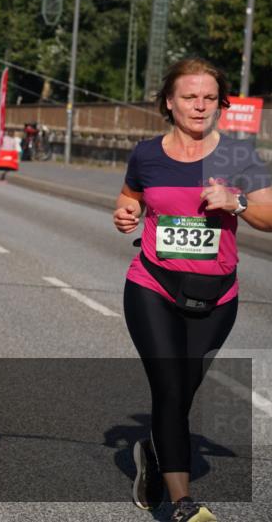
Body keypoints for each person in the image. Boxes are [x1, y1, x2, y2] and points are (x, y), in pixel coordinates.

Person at [113, 58, 271, 522]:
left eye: (208, 97)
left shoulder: (239, 155)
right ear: (169, 102)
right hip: (152, 286)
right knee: (168, 387)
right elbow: (130, 199)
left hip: (218, 296)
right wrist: (124, 215)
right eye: (189, 96)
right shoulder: (146, 154)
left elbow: (268, 215)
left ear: (220, 103)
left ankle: (153, 452)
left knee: (182, 393)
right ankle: (184, 505)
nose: (199, 106)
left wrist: (237, 202)